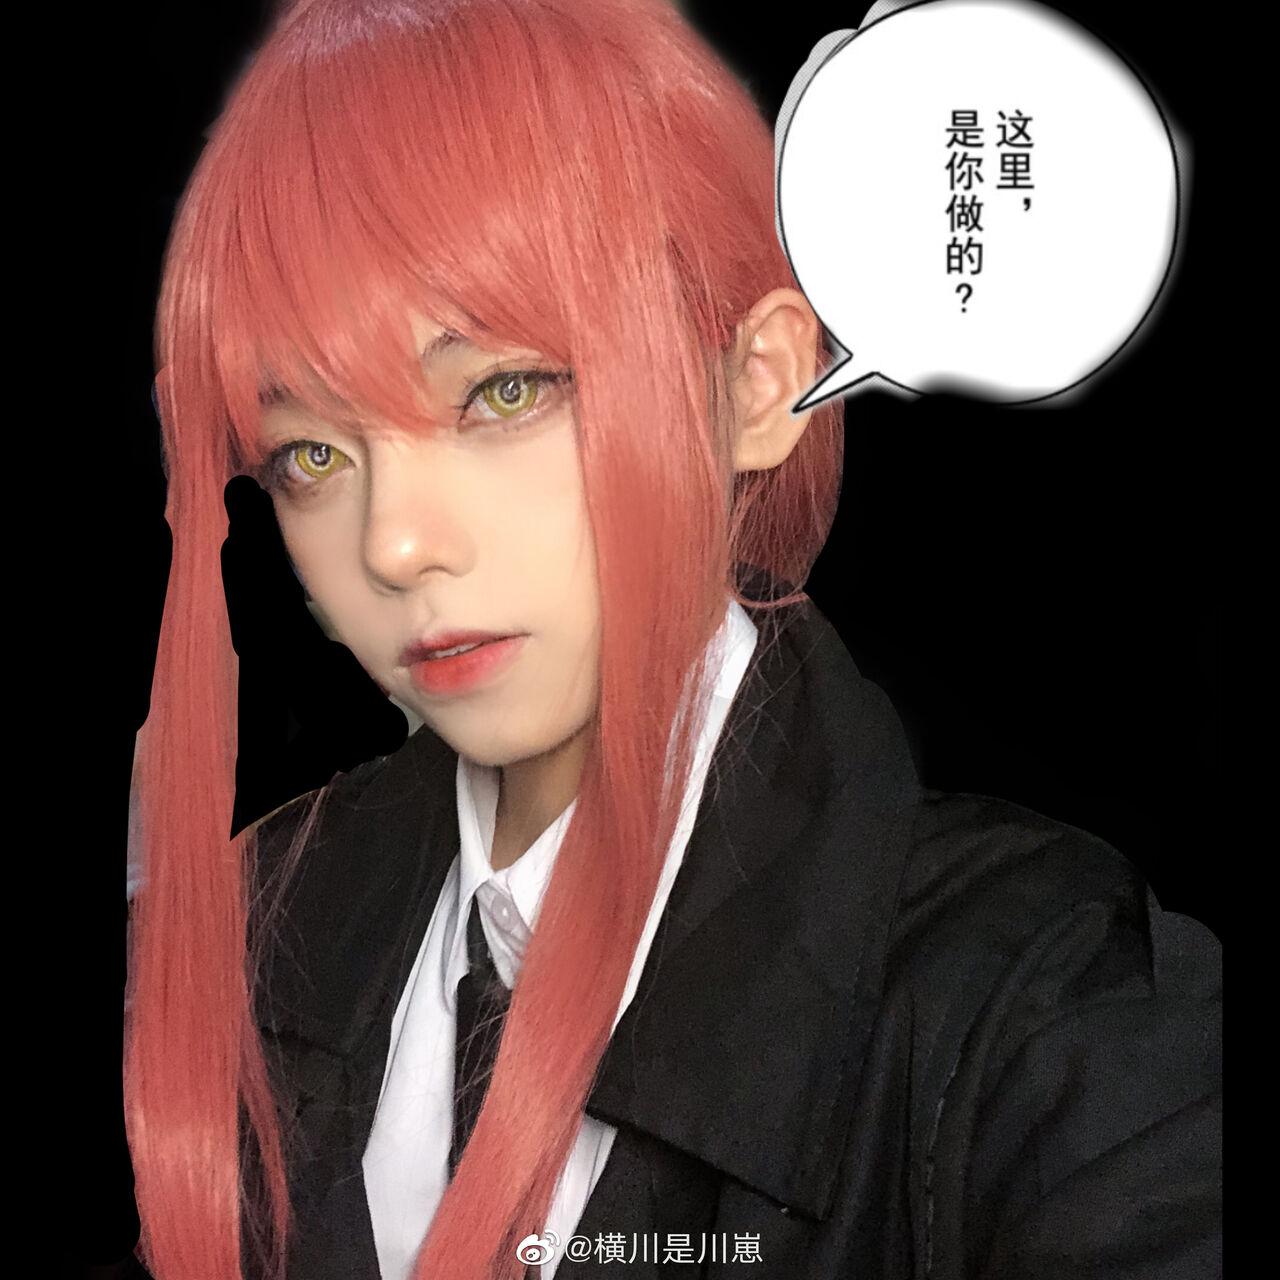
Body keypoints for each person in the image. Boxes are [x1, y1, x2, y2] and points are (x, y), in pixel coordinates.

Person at [125, 1, 1222, 1278]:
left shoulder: (1051, 1010)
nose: (397, 544)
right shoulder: (264, 918)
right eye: (310, 453)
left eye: (502, 390)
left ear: (759, 382)